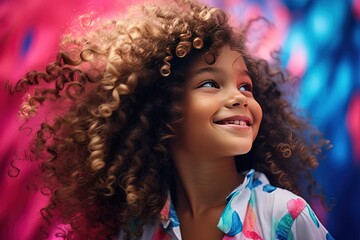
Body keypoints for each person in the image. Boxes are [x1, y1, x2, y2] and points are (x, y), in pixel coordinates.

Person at [9, 0, 333, 239]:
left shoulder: (284, 216)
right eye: (211, 84)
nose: (239, 97)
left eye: (245, 86)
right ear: (163, 107)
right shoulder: (139, 229)